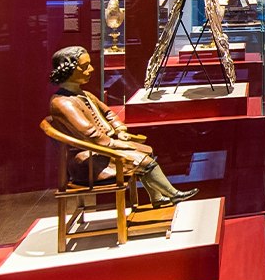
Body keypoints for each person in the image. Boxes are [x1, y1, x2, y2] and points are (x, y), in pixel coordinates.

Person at [47, 46, 198, 207]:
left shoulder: (85, 95)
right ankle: (173, 194)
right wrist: (117, 144)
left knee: (146, 151)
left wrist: (119, 130)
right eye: (84, 66)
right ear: (68, 69)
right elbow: (90, 134)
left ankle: (157, 197)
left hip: (101, 150)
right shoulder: (63, 103)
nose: (91, 69)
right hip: (87, 161)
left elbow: (109, 114)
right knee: (143, 160)